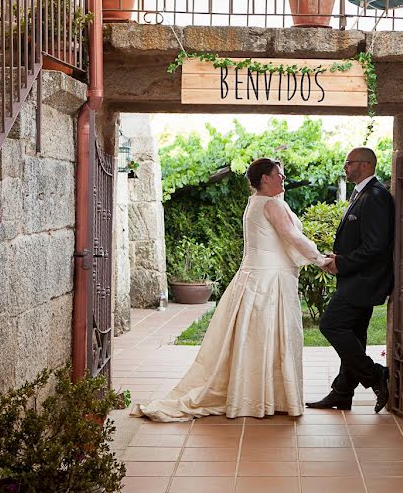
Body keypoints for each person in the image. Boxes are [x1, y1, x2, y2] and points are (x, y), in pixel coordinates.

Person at [130, 158, 330, 422]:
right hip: (269, 281)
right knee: (268, 335)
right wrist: (320, 259)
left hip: (257, 277)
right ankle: (265, 397)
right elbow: (291, 236)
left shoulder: (255, 203)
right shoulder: (270, 203)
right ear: (265, 179)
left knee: (258, 338)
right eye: (279, 174)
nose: (283, 178)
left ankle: (259, 395)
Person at [306, 147, 394, 413]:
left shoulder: (376, 196)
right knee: (355, 335)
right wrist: (339, 257)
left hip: (364, 281)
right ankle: (342, 393)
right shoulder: (364, 194)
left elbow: (375, 245)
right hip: (355, 277)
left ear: (366, 165)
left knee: (331, 324)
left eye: (349, 162)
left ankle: (375, 375)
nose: (345, 166)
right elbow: (361, 239)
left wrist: (341, 263)